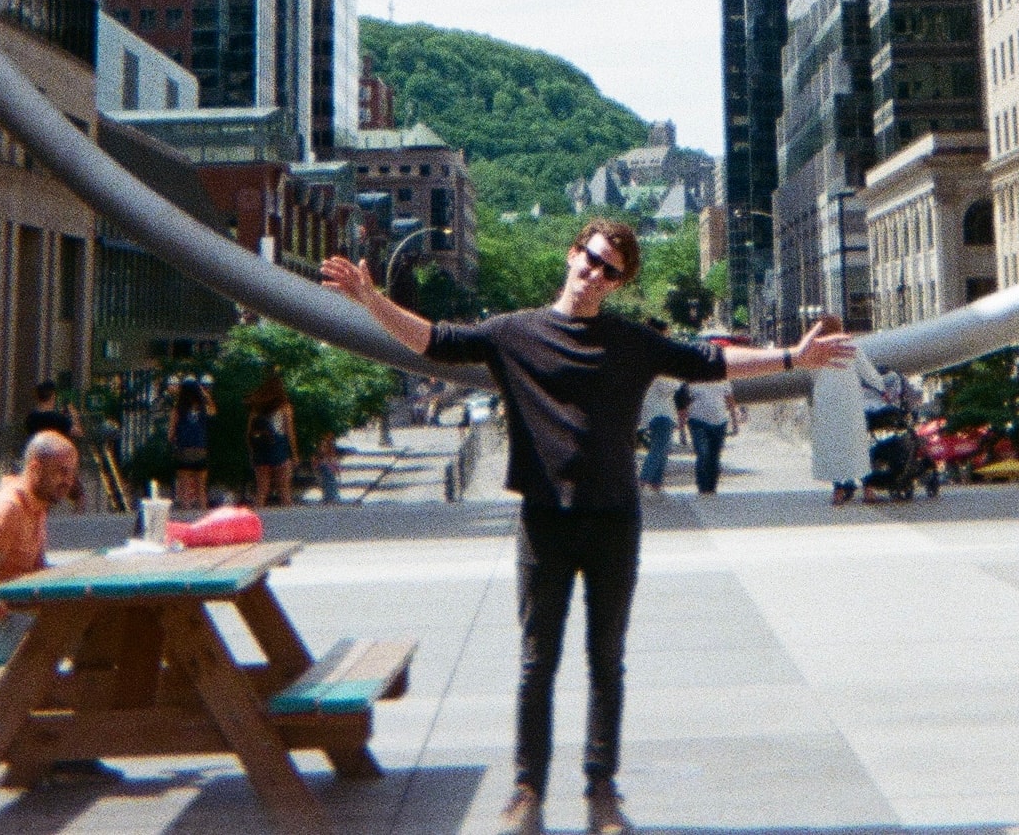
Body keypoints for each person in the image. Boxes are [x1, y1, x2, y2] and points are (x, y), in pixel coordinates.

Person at [322, 221, 855, 835]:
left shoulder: (631, 341)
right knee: (536, 661)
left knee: (606, 659)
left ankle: (602, 790)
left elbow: (710, 360)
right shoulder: (514, 333)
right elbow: (433, 341)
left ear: (619, 283)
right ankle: (526, 790)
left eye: (613, 273)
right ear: (573, 254)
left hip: (613, 518)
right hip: (544, 521)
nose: (597, 276)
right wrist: (370, 298)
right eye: (594, 261)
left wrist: (793, 357)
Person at [0, 431, 79, 665]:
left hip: (14, 620)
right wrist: (24, 603)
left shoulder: (37, 506)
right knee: (91, 638)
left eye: (72, 472)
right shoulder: (5, 512)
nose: (68, 480)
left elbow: (39, 570)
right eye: (61, 471)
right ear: (35, 468)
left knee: (100, 625)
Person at [811, 337, 882, 502]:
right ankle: (868, 489)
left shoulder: (817, 350)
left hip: (826, 403)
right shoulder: (851, 348)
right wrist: (881, 386)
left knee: (834, 445)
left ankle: (838, 491)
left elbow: (812, 374)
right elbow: (868, 372)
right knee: (857, 445)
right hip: (849, 402)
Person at [246, 372, 298, 508]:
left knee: (262, 490)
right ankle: (290, 523)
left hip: (260, 450)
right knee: (284, 491)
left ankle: (257, 520)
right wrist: (294, 454)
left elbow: (249, 433)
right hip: (278, 446)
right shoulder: (285, 407)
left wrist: (252, 453)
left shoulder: (256, 408)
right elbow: (289, 432)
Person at [168, 375, 215, 511]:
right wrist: (205, 395)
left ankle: (186, 512)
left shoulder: (178, 409)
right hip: (200, 449)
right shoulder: (203, 408)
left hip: (184, 449)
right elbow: (213, 412)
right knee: (201, 487)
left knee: (184, 487)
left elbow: (171, 433)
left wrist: (174, 442)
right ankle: (203, 513)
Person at [685, 374, 737, 496]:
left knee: (714, 455)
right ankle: (703, 487)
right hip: (697, 421)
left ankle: (711, 487)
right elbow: (684, 402)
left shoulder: (722, 380)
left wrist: (734, 421)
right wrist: (682, 425)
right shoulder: (692, 380)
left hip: (720, 422)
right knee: (702, 452)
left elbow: (730, 400)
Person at [637, 353, 678, 494]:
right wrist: (678, 377)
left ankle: (656, 482)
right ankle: (643, 481)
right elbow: (670, 387)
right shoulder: (660, 374)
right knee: (659, 448)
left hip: (658, 414)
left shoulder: (648, 373)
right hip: (661, 415)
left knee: (663, 449)